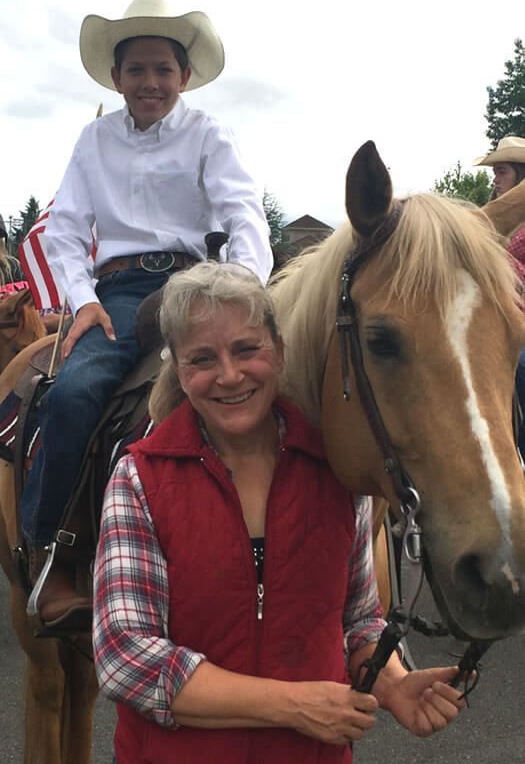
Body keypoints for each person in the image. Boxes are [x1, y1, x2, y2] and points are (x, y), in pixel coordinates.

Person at [93, 261, 465, 764]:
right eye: (202, 359)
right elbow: (125, 657)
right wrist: (294, 706)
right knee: (73, 397)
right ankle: (53, 551)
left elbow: (358, 622)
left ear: (280, 350)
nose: (229, 376)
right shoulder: (139, 479)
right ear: (179, 371)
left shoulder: (337, 474)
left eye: (247, 349)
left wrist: (392, 681)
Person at [22, 0, 274, 628]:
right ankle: (54, 556)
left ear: (184, 76)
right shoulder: (93, 140)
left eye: (163, 69)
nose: (150, 82)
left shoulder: (210, 135)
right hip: (120, 291)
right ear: (116, 78)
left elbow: (243, 214)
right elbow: (65, 230)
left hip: (199, 284)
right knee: (72, 394)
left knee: (274, 388)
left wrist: (246, 292)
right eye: (136, 69)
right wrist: (82, 301)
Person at [474, 136, 525, 454]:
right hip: (496, 318)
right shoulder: (488, 220)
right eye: (495, 172)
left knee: (520, 365)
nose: (495, 179)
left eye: (502, 171)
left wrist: (494, 259)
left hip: (520, 321)